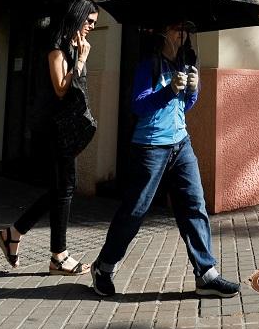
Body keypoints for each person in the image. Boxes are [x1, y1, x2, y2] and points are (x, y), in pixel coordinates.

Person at [90, 21, 240, 299]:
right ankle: (104, 267)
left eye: (185, 31)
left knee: (194, 205)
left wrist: (192, 91)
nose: (182, 35)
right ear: (163, 33)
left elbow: (185, 106)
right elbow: (138, 105)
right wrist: (168, 90)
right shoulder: (149, 65)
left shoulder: (184, 64)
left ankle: (206, 274)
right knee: (135, 210)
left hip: (181, 144)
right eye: (176, 29)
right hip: (150, 147)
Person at [0, 0, 99, 276]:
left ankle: (14, 235)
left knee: (61, 189)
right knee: (64, 188)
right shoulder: (56, 46)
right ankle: (57, 256)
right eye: (89, 21)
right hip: (52, 128)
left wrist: (80, 57)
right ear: (77, 17)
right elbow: (62, 89)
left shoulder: (72, 47)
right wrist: (82, 59)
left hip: (63, 127)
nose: (91, 27)